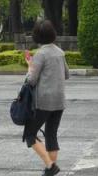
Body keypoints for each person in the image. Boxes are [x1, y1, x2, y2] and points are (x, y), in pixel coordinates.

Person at [24, 19, 70, 176]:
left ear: (37, 36)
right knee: (51, 134)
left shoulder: (40, 54)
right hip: (59, 100)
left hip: (43, 101)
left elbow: (31, 80)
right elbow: (67, 74)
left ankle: (50, 165)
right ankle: (51, 169)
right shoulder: (60, 52)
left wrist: (30, 66)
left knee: (29, 134)